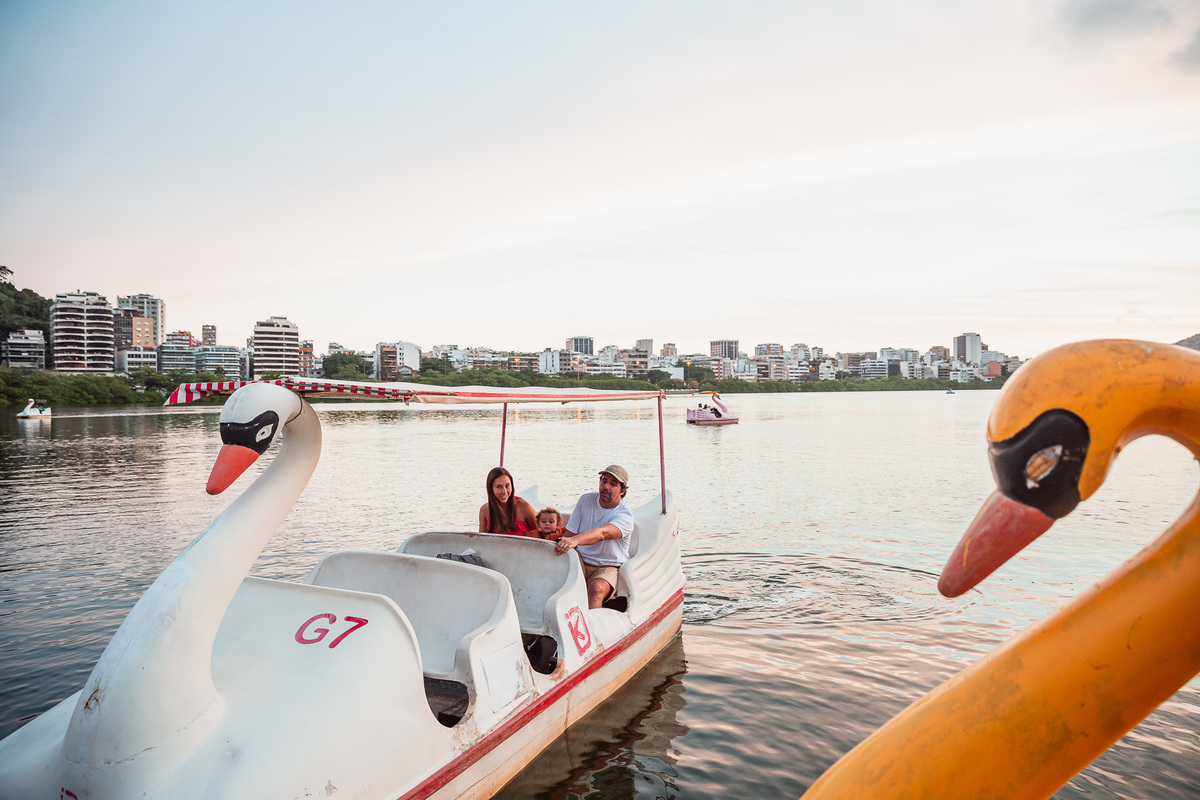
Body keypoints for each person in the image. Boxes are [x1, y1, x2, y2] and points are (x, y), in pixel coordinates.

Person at [554, 465, 635, 608]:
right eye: (604, 481)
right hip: (580, 559)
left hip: (608, 566)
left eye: (613, 484)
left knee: (596, 588)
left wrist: (574, 541)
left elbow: (602, 533)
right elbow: (569, 535)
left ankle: (590, 629)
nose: (606, 487)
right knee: (553, 575)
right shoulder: (585, 500)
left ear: (622, 491)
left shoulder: (625, 515)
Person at [479, 466, 538, 535]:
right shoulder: (485, 510)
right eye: (499, 487)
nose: (504, 491)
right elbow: (481, 541)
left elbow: (542, 534)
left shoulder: (524, 507)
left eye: (507, 486)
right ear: (491, 488)